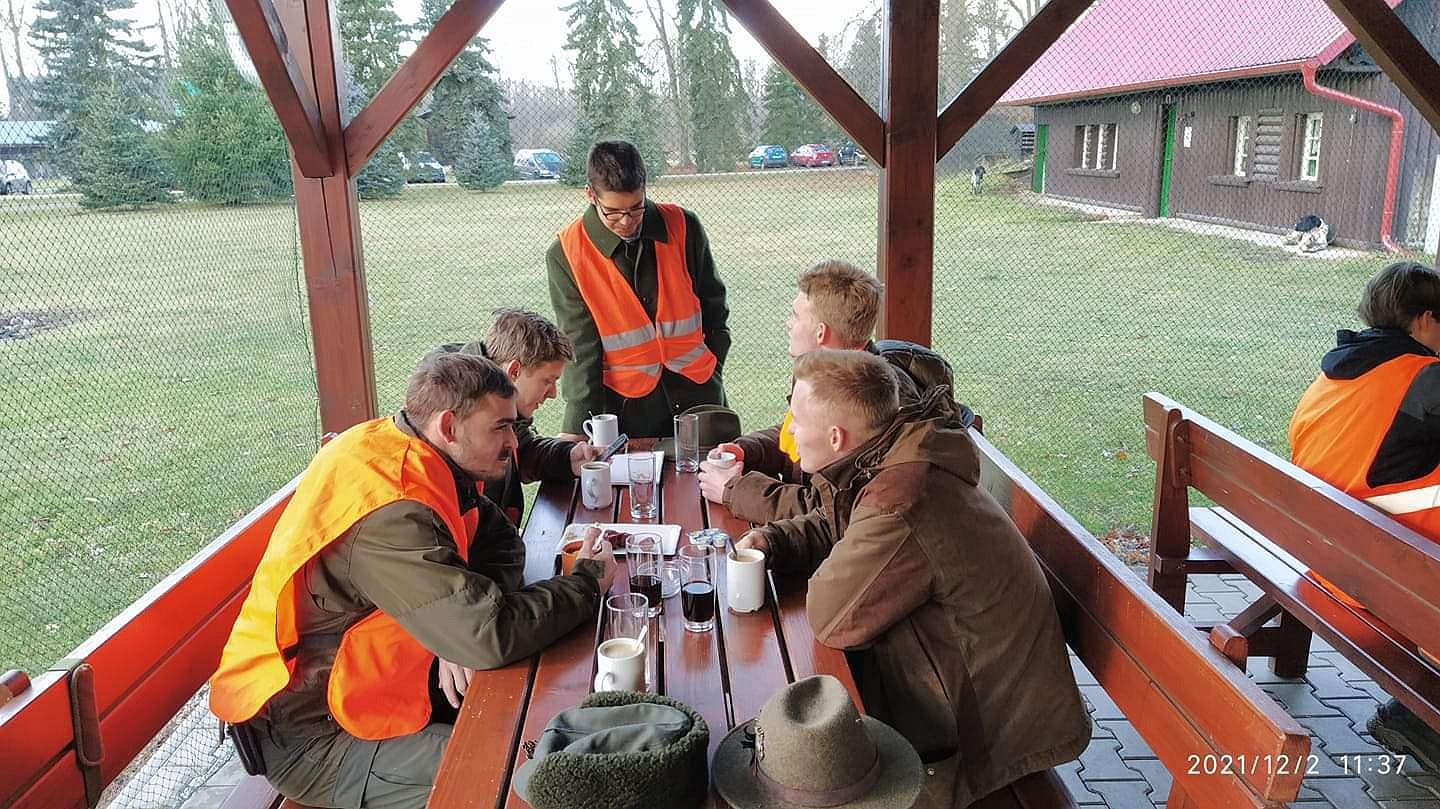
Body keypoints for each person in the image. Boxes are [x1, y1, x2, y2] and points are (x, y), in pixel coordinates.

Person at [209, 352, 619, 809]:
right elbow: (488, 636)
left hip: (382, 692)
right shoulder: (394, 508)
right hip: (320, 738)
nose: (513, 443)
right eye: (501, 427)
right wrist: (586, 582)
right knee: (527, 778)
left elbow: (500, 544)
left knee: (548, 727)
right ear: (449, 426)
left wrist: (456, 619)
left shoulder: (419, 455)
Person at [735, 349, 1089, 808]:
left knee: (817, 772)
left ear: (837, 437)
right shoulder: (891, 453)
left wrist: (831, 559)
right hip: (976, 690)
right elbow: (840, 524)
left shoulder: (900, 500)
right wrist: (773, 541)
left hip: (988, 733)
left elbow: (830, 618)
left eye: (796, 421)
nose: (790, 431)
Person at [1289, 260, 1440, 774]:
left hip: (1327, 559)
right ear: (1424, 320)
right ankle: (1422, 716)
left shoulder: (1335, 372)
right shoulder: (1425, 378)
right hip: (1388, 581)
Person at [696, 260, 916, 523]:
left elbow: (832, 511)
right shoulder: (824, 373)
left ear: (821, 332)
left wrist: (733, 490)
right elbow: (798, 435)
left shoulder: (868, 398)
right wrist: (746, 450)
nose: (788, 323)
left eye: (795, 315)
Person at [547, 140, 730, 439]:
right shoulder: (566, 253)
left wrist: (714, 366)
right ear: (590, 195)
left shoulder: (684, 226)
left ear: (644, 188)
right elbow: (580, 346)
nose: (626, 221)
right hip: (627, 412)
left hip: (700, 395)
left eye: (636, 209)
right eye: (613, 212)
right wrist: (577, 426)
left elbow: (714, 307)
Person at [446, 309, 602, 526]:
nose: (553, 393)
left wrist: (568, 457)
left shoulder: (493, 401)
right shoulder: (469, 418)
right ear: (514, 371)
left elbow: (522, 450)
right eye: (547, 381)